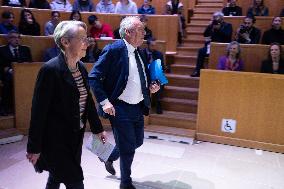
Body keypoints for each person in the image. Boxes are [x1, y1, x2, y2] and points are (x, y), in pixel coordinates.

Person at [26, 20, 107, 189]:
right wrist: (34, 147)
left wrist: (98, 129)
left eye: (87, 38)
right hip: (55, 140)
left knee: (56, 177)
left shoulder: (82, 68)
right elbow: (38, 111)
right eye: (82, 38)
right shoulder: (50, 70)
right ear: (65, 41)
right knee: (75, 181)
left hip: (75, 137)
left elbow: (89, 103)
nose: (87, 42)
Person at [89, 16, 160, 189]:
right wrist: (105, 101)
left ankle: (108, 156)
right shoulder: (113, 50)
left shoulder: (140, 51)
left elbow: (142, 77)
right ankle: (125, 183)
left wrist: (151, 86)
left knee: (137, 142)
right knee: (128, 148)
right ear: (128, 32)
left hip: (138, 106)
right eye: (140, 30)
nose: (145, 33)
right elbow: (94, 77)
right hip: (119, 107)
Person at [0, 30, 32, 115]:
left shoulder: (25, 49)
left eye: (18, 37)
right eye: (14, 37)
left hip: (24, 74)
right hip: (7, 74)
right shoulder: (2, 50)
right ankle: (5, 107)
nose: (17, 39)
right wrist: (9, 70)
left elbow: (31, 63)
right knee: (8, 80)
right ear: (9, 39)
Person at [191, 12, 233, 77]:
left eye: (216, 17)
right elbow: (205, 34)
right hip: (212, 45)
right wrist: (209, 26)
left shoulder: (228, 25)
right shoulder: (212, 25)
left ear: (222, 18)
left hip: (223, 46)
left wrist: (219, 29)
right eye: (214, 17)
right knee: (201, 51)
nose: (215, 19)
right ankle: (198, 70)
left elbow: (228, 36)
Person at [141, 38, 165, 114]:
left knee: (161, 79)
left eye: (154, 45)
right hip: (144, 74)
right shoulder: (141, 53)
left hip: (155, 74)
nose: (153, 47)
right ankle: (145, 105)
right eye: (152, 45)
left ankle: (158, 102)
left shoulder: (158, 54)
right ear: (148, 45)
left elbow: (162, 67)